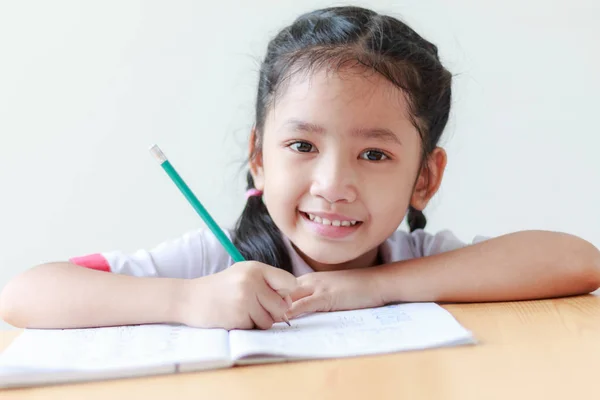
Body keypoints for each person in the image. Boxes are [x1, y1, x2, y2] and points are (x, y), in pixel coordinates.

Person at [1, 6, 599, 331]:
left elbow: (577, 260)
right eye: (302, 147)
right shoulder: (215, 263)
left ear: (426, 178)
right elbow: (24, 294)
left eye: (374, 154)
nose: (334, 185)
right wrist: (187, 302)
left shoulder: (419, 262)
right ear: (258, 157)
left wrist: (370, 287)